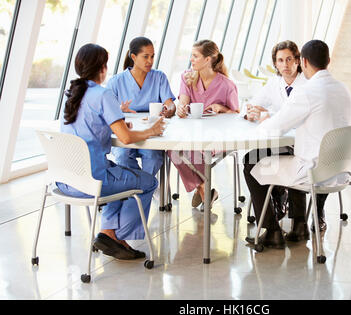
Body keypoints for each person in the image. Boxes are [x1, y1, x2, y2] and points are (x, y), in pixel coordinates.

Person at [57, 43, 166, 260]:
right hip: (93, 181)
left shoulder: (72, 94)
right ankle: (117, 235)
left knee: (121, 174)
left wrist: (118, 122)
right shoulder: (102, 94)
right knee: (148, 182)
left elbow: (89, 124)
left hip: (66, 180)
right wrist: (151, 131)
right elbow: (125, 138)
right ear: (102, 68)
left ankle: (107, 231)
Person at [244, 40, 351, 249]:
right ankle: (300, 225)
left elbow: (274, 128)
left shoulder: (307, 92)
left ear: (302, 62)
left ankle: (272, 231)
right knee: (293, 155)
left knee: (251, 162)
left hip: (314, 171)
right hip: (341, 169)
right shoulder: (343, 89)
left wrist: (263, 119)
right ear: (328, 61)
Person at [243, 40, 313, 232]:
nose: (285, 65)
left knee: (260, 160)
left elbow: (291, 118)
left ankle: (293, 222)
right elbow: (252, 103)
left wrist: (268, 116)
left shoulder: (308, 84)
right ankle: (272, 218)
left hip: (303, 144)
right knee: (253, 158)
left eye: (289, 59)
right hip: (281, 142)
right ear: (275, 63)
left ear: (298, 60)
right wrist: (251, 111)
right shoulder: (274, 83)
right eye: (280, 60)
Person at [170, 40, 239, 209]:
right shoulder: (187, 77)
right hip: (192, 135)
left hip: (217, 137)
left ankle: (202, 188)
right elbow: (183, 102)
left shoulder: (227, 85)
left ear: (208, 59)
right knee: (172, 148)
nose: (191, 59)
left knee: (193, 150)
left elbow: (237, 114)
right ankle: (204, 188)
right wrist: (181, 109)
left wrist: (222, 108)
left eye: (195, 56)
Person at [107, 36, 176, 177]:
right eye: (145, 57)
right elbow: (108, 112)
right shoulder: (116, 81)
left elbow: (169, 103)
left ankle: (143, 189)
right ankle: (144, 187)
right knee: (122, 157)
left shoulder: (159, 77)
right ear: (133, 56)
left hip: (151, 131)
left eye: (152, 56)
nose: (150, 61)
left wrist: (169, 110)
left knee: (153, 157)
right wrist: (120, 110)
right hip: (126, 130)